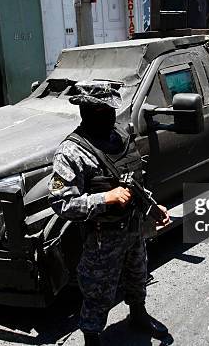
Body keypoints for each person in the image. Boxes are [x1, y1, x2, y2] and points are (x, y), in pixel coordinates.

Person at [48, 81, 170, 346]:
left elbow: (133, 181)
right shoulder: (72, 152)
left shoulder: (120, 138)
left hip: (134, 230)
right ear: (86, 112)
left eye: (112, 110)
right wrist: (105, 198)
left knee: (138, 277)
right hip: (102, 240)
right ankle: (92, 338)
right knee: (97, 292)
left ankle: (138, 316)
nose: (111, 116)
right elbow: (61, 204)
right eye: (103, 112)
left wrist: (153, 207)